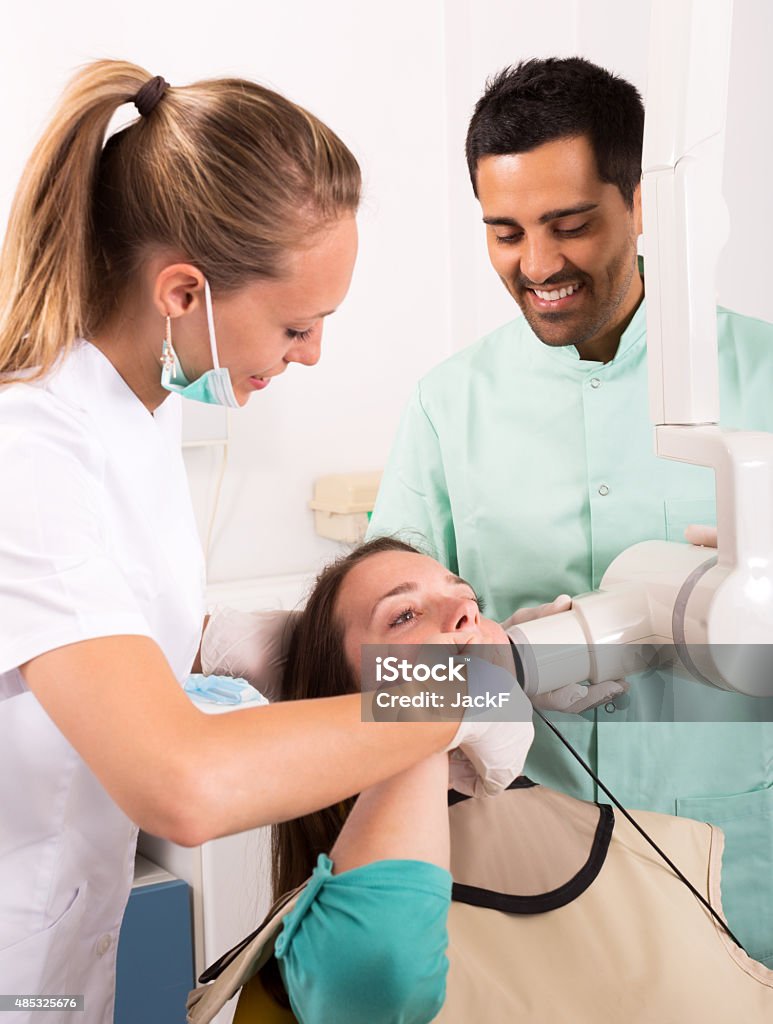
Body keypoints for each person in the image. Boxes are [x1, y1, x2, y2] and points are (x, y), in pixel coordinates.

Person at [0, 61, 526, 1022]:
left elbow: (99, 627)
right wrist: (451, 694)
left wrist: (278, 644)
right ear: (182, 292)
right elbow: (183, 787)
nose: (313, 353)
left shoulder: (138, 414)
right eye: (297, 323)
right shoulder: (31, 457)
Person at [366, 57, 773, 966]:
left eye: (570, 225)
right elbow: (386, 684)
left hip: (743, 872)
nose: (536, 263)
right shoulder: (447, 406)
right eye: (503, 231)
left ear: (642, 207)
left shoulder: (763, 378)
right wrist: (504, 672)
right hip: (531, 876)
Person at [192, 537, 773, 1024]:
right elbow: (382, 973)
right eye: (403, 615)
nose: (465, 613)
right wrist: (421, 708)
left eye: (468, 600)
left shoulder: (656, 857)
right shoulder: (339, 946)